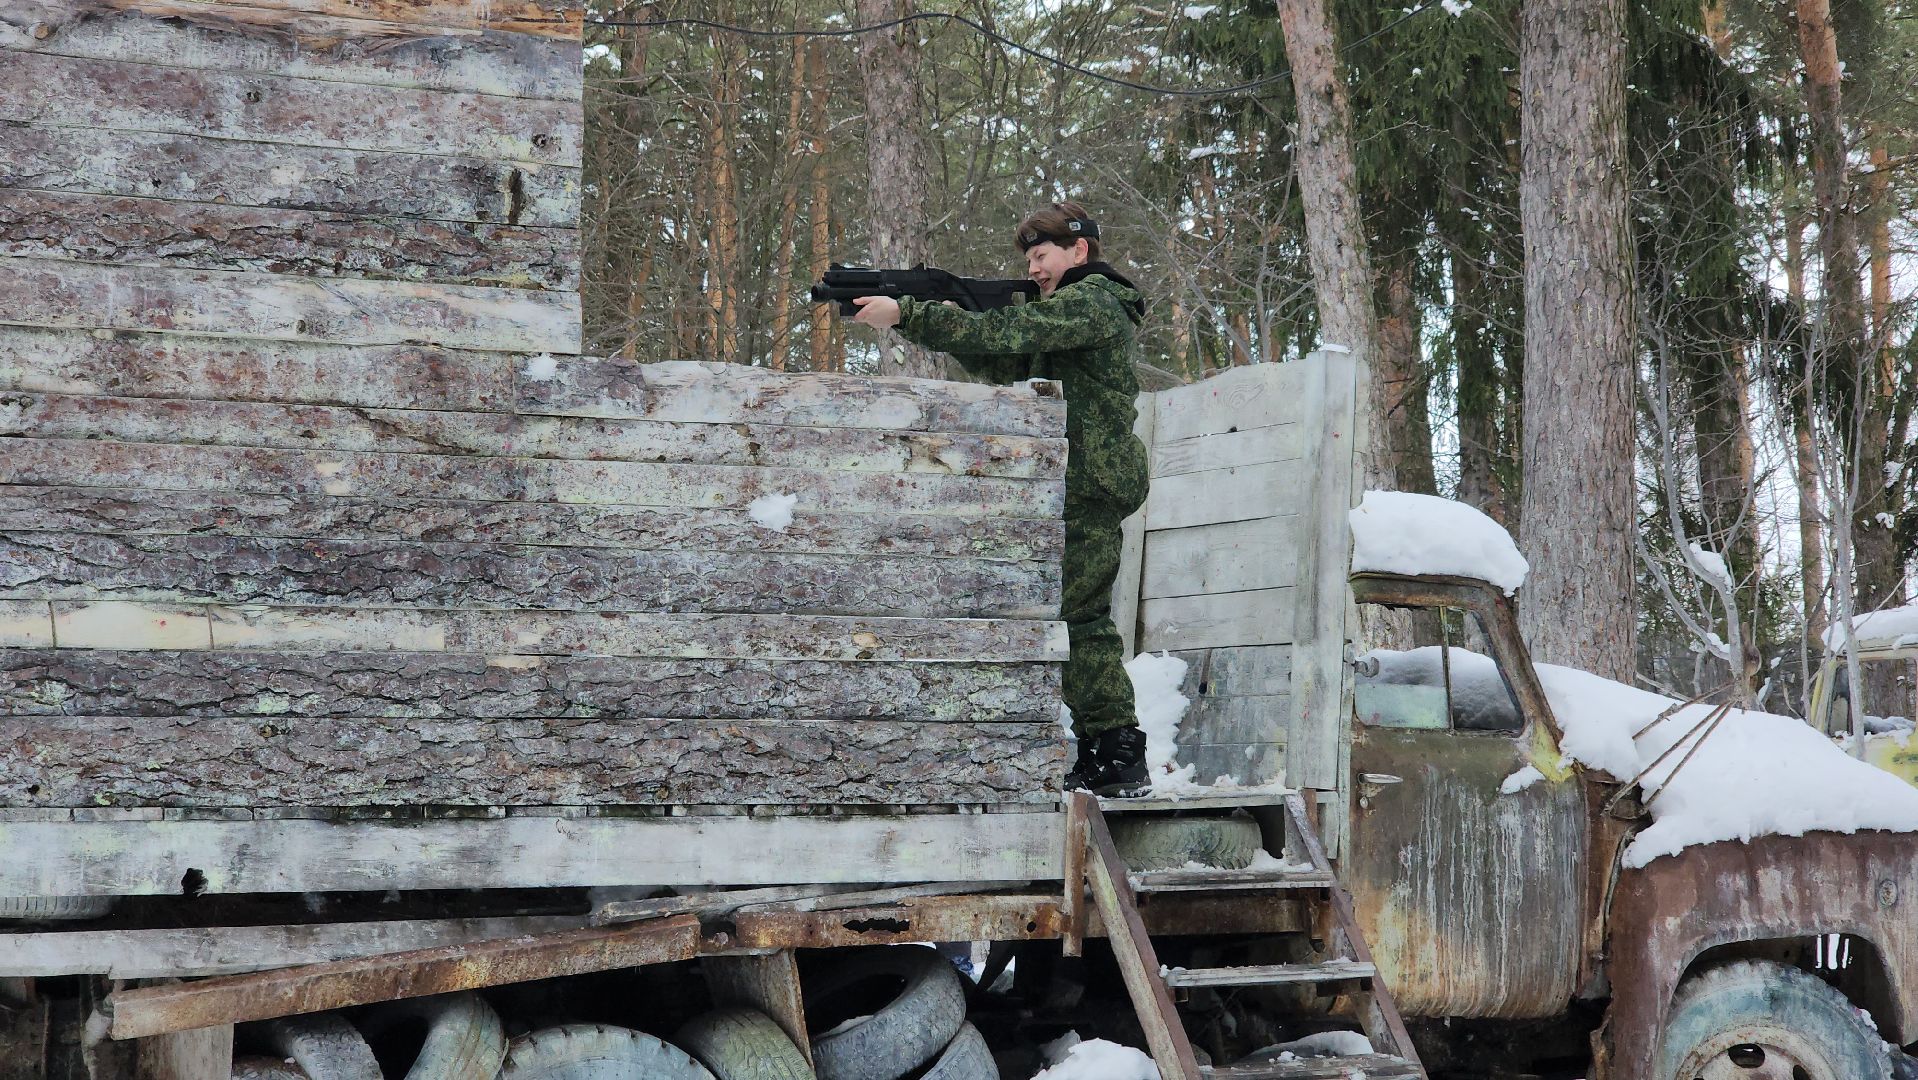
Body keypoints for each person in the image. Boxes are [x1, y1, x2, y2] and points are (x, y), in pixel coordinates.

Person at [849, 201, 1152, 797]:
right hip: (1064, 479)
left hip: (1090, 480)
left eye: (1042, 256)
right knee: (1071, 616)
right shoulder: (1064, 313)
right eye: (1031, 260)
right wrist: (951, 319)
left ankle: (1119, 750)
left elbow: (1009, 331)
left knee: (1079, 616)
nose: (1035, 269)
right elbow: (1006, 359)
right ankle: (1102, 749)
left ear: (1079, 252)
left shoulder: (1094, 302)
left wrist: (908, 314)